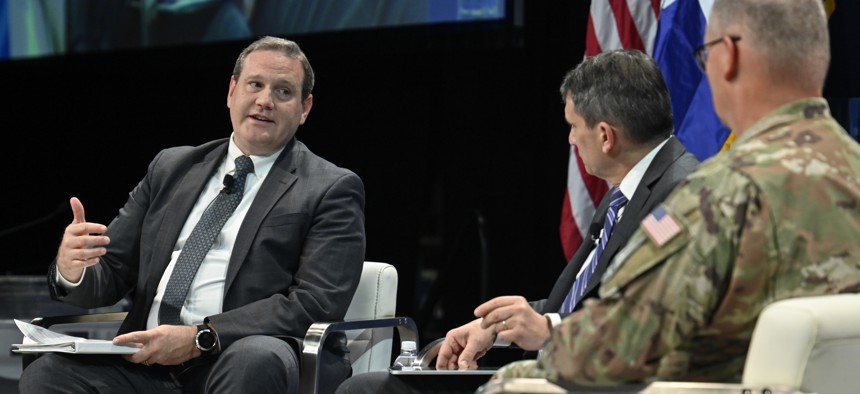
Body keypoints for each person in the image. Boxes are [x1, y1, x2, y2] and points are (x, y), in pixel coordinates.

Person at [489, 0, 860, 387]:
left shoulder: (716, 196)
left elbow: (612, 345)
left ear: (728, 56)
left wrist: (509, 376)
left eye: (704, 55)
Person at [335, 49, 699, 394]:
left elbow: (655, 318)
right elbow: (585, 302)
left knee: (369, 389)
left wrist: (547, 332)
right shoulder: (631, 189)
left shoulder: (683, 197)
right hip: (560, 374)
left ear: (605, 136)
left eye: (573, 126)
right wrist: (497, 327)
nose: (571, 139)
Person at [19, 36, 366, 394]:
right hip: (148, 363)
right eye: (255, 85)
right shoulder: (172, 167)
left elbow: (315, 303)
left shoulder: (330, 187)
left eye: (283, 91)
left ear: (305, 108)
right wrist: (73, 269)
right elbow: (113, 271)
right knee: (49, 373)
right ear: (232, 91)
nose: (265, 101)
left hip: (237, 356)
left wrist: (201, 337)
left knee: (253, 359)